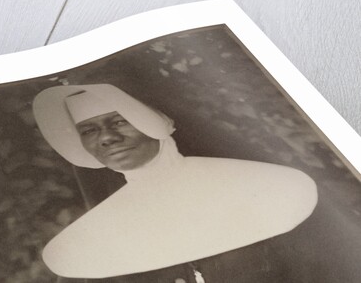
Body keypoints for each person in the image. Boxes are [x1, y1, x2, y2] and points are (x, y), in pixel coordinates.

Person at [33, 84, 318, 281]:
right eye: (89, 130)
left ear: (155, 120)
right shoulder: (96, 234)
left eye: (119, 122)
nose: (106, 138)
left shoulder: (256, 188)